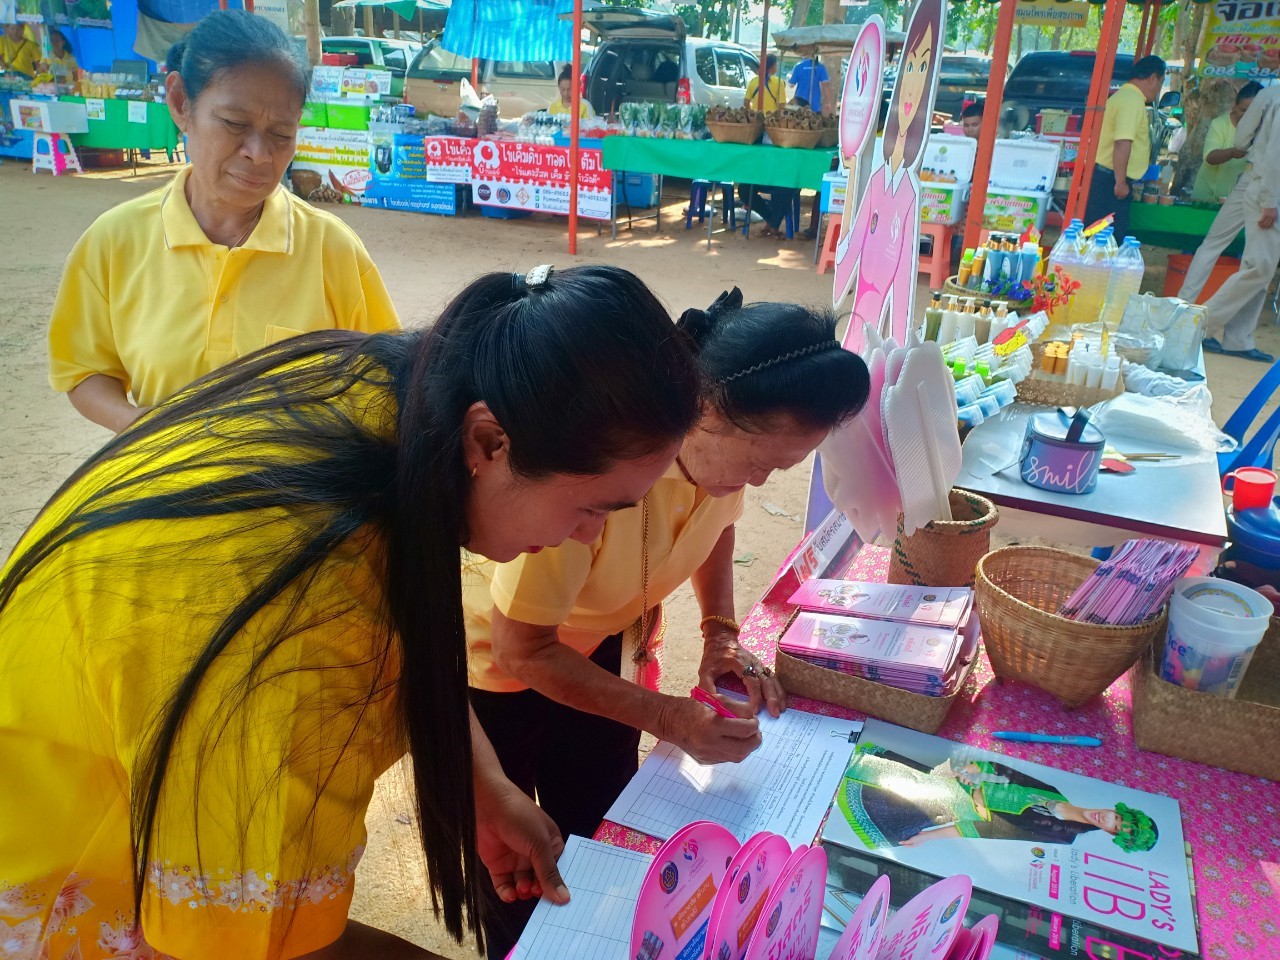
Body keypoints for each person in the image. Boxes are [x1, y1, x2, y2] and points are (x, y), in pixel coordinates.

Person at [0, 263, 704, 959]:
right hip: (56, 861)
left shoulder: (395, 398)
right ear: (488, 443)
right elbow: (257, 948)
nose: (588, 536)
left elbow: (401, 615)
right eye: (591, 507)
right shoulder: (301, 618)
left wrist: (481, 782)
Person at [465, 291, 871, 958]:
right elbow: (523, 648)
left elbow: (717, 525)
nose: (762, 481)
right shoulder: (605, 480)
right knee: (514, 857)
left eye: (781, 469)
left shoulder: (717, 462)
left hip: (595, 646)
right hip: (499, 670)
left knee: (598, 822)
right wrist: (668, 717)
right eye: (760, 462)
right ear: (704, 409)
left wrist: (719, 633)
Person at [47, 11, 400, 435]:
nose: (259, 153)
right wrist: (142, 430)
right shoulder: (113, 242)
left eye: (282, 133)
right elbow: (84, 369)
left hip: (295, 498)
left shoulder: (334, 252)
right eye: (235, 123)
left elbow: (387, 381)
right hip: (165, 491)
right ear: (180, 103)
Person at [833, 0, 943, 351]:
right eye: (910, 65)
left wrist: (897, 342)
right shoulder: (878, 177)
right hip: (860, 300)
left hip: (880, 306)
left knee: (870, 361)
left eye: (922, 67)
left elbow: (906, 277)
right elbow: (856, 234)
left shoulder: (908, 189)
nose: (911, 85)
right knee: (851, 350)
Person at [836, 749, 1159, 853]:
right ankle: (838, 763)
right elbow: (1005, 772)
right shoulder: (1054, 794)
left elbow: (992, 830)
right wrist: (979, 770)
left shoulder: (1064, 834)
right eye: (1117, 817)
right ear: (1115, 811)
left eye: (1116, 828)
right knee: (866, 768)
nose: (1109, 820)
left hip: (945, 804)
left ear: (1112, 835)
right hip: (948, 780)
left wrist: (930, 837)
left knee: (882, 806)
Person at [1178, 81, 1280, 363]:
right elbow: (1276, 155)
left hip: (1250, 176)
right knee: (1259, 267)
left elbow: (1240, 140)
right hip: (1270, 187)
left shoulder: (1268, 94)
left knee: (1253, 262)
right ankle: (1199, 325)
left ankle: (1236, 336)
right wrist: (1271, 199)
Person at [1083, 55, 1166, 242]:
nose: (1159, 89)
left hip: (1108, 177)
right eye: (1160, 83)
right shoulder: (1132, 100)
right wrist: (1120, 182)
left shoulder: (1126, 97)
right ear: (1152, 78)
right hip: (1110, 180)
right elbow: (1122, 142)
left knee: (1103, 235)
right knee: (1106, 238)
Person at [1191, 82, 1262, 203]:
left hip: (1243, 199)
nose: (1247, 116)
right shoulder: (1220, 124)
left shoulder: (1266, 129)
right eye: (1243, 110)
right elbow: (1209, 157)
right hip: (1208, 196)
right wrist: (1232, 153)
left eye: (1253, 111)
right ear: (1235, 106)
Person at [788, 48, 832, 115]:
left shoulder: (798, 66)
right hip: (815, 104)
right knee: (814, 123)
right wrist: (828, 102)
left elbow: (791, 85)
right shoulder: (820, 66)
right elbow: (825, 85)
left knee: (801, 123)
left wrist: (788, 78)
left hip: (800, 103)